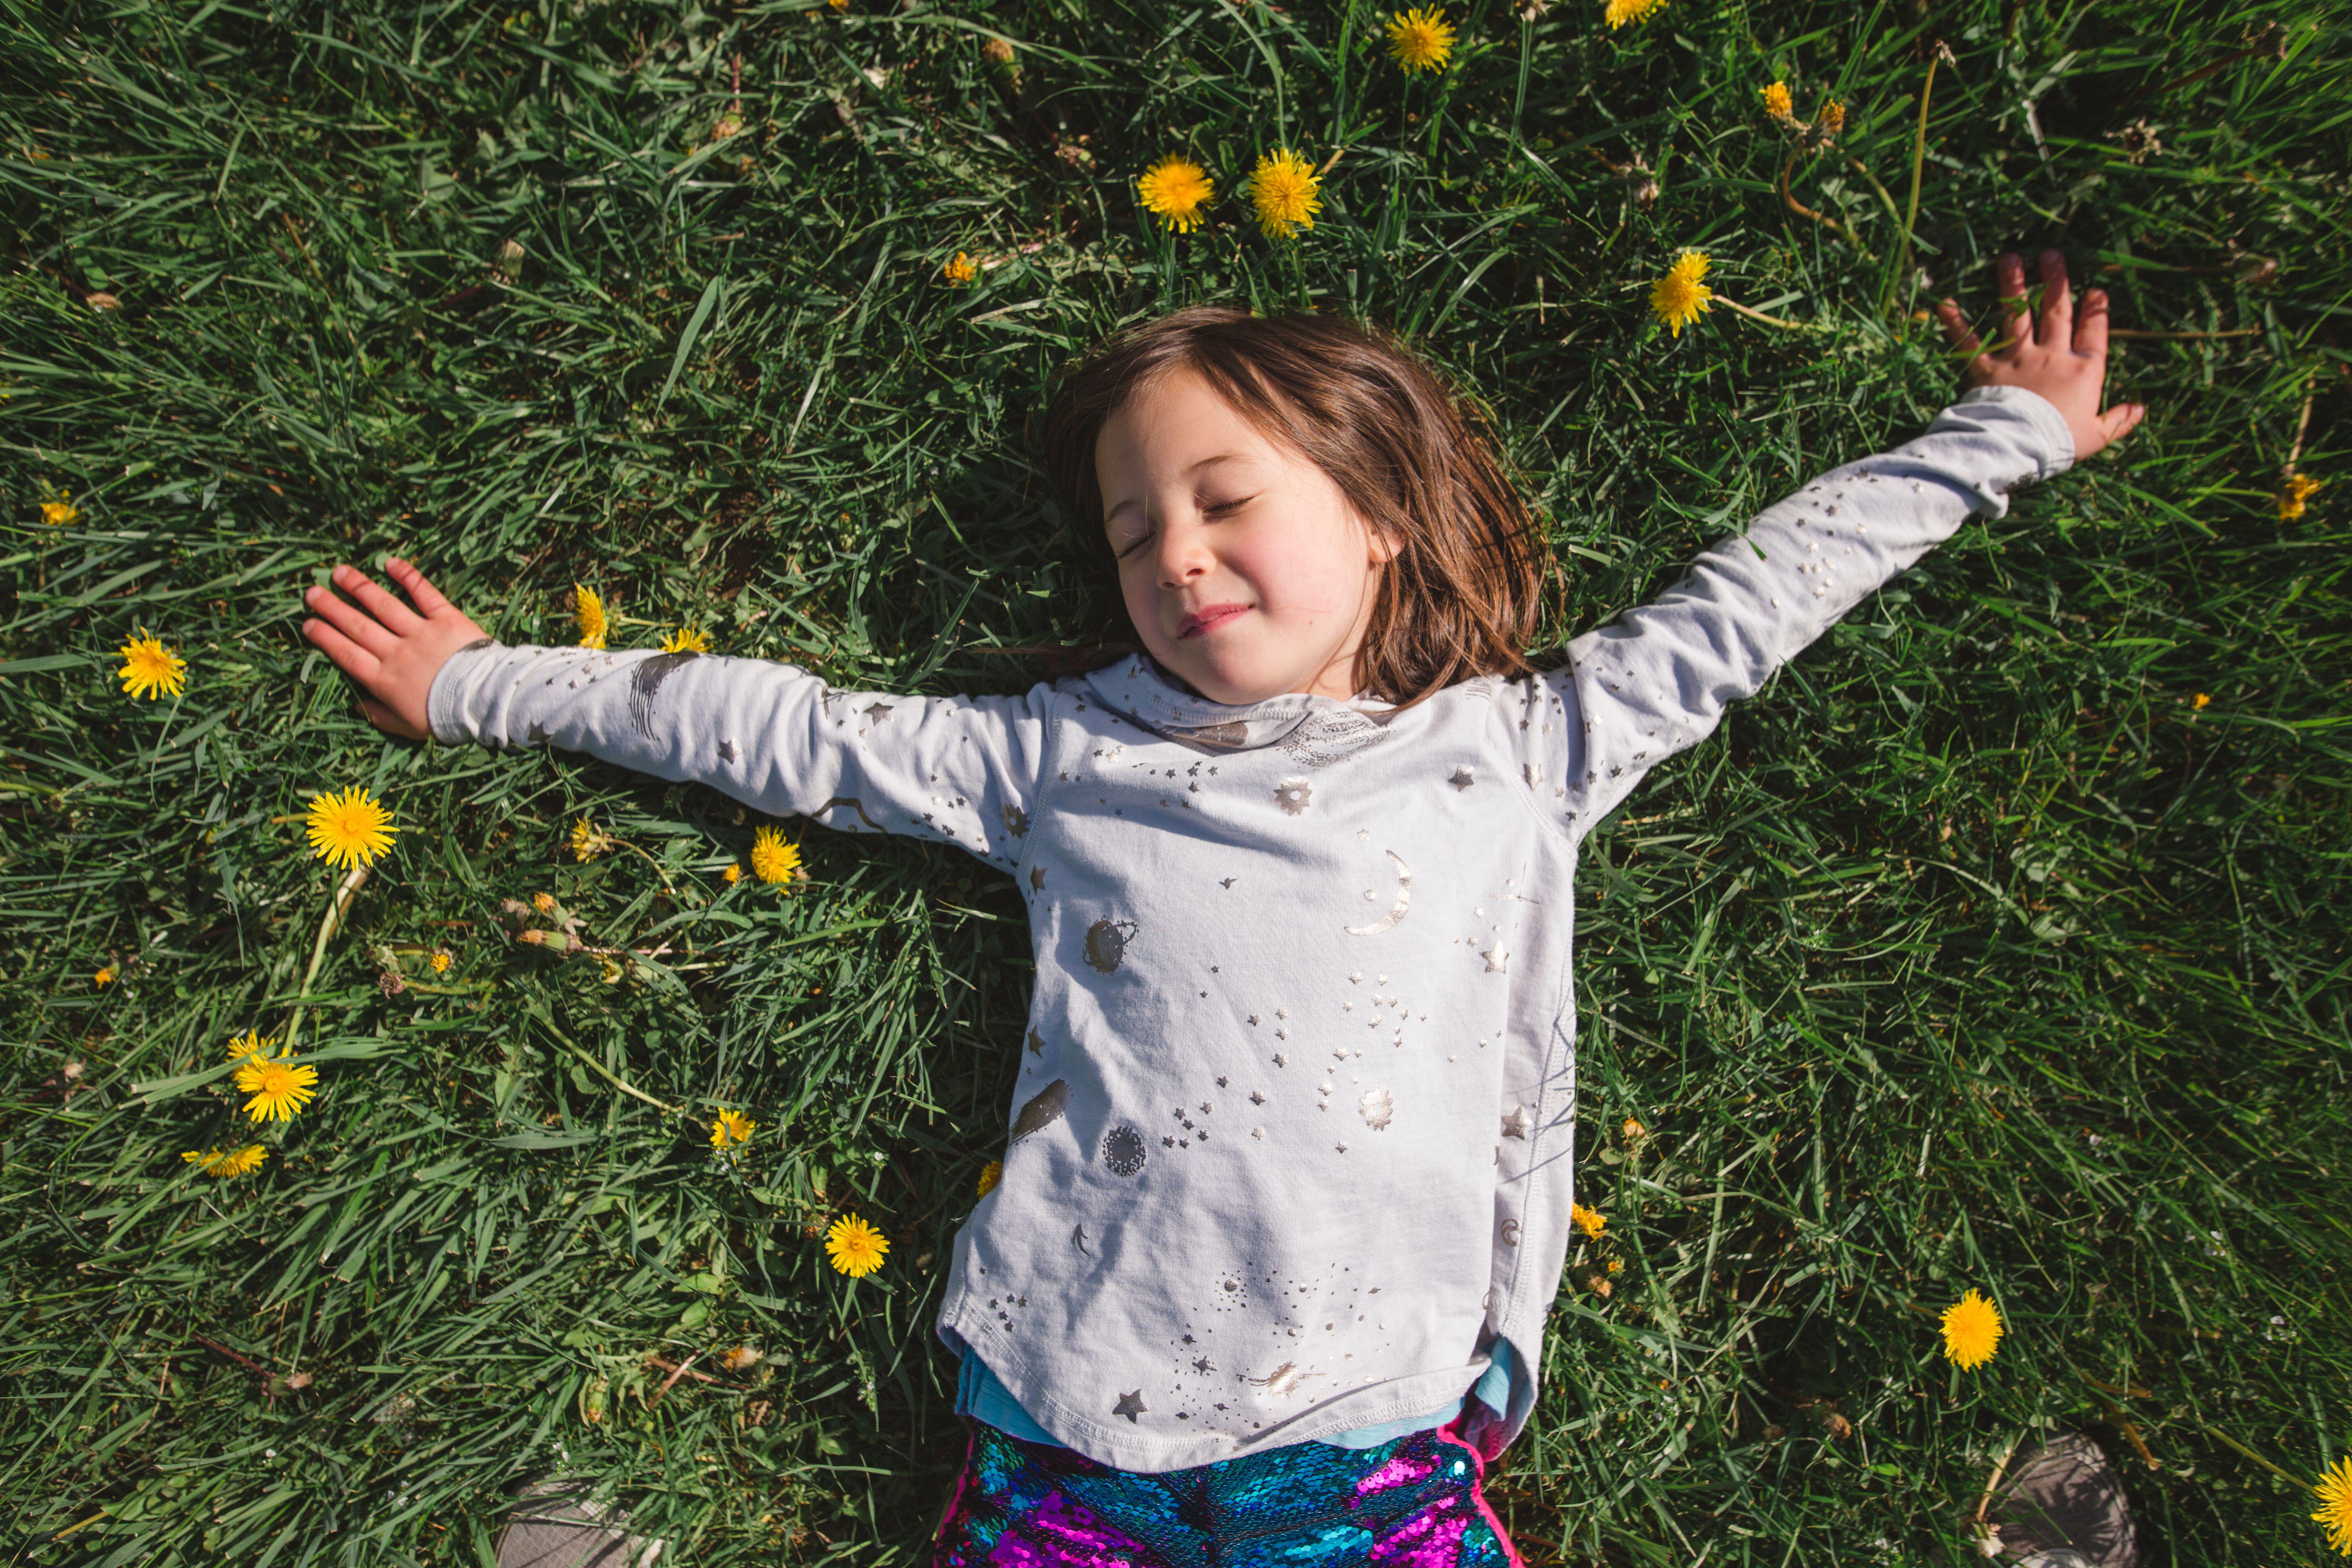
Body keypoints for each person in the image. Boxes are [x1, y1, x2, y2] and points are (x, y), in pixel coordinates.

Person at [304, 252, 2142, 1568]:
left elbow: (1757, 598)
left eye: (1224, 500)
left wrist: (2003, 435)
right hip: (1061, 1421)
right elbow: (781, 730)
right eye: (1129, 531)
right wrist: (483, 685)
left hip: (1373, 1442)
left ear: (1381, 520)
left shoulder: (1524, 748)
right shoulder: (1059, 759)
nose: (1173, 553)